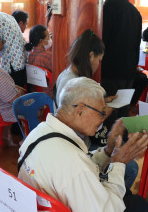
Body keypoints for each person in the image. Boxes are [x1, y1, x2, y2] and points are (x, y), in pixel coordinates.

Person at [18, 77, 148, 212]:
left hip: (41, 204)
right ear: (80, 110)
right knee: (138, 205)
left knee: (130, 197)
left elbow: (82, 163)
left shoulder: (40, 131)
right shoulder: (73, 163)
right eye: (101, 113)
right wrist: (119, 162)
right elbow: (108, 209)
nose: (102, 119)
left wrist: (108, 150)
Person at [55, 29, 138, 190]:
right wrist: (111, 107)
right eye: (98, 60)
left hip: (73, 142)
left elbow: (80, 107)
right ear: (91, 55)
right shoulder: (75, 83)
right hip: (78, 146)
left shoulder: (66, 76)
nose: (97, 65)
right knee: (131, 167)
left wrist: (104, 101)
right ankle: (106, 196)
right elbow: (86, 125)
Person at [101, 0, 142, 117]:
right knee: (123, 107)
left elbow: (103, 40)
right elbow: (138, 42)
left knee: (109, 108)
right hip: (129, 70)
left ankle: (109, 139)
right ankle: (123, 137)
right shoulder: (135, 11)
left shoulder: (107, 8)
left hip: (110, 69)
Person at [25, 25, 53, 97]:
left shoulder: (29, 55)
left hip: (34, 93)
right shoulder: (48, 56)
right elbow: (58, 75)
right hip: (49, 94)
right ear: (41, 41)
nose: (50, 39)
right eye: (48, 37)